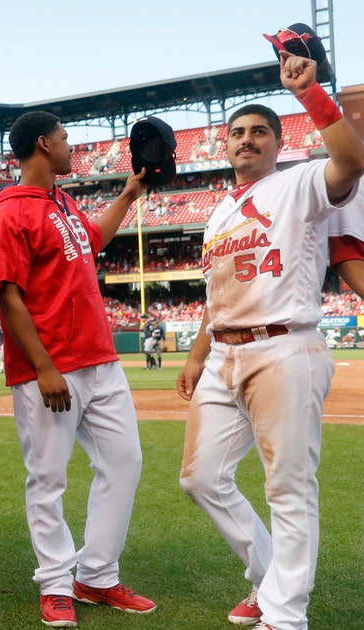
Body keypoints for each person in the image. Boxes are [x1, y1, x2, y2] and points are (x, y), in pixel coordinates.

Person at [176, 50, 364, 630]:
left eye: (260, 132)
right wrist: (197, 354)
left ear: (278, 143)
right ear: (224, 146)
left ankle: (285, 617)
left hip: (285, 348)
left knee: (288, 487)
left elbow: (352, 161)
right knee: (199, 478)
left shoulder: (300, 184)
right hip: (225, 353)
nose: (247, 140)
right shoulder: (216, 214)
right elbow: (216, 296)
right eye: (237, 133)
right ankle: (269, 576)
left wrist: (311, 95)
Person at [0, 110, 155, 628]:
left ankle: (96, 576)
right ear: (42, 145)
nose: (70, 147)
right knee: (47, 479)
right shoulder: (7, 212)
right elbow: (7, 297)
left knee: (124, 462)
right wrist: (43, 366)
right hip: (51, 368)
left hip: (100, 358)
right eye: (63, 140)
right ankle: (55, 582)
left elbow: (92, 242)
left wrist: (126, 195)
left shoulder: (61, 200)